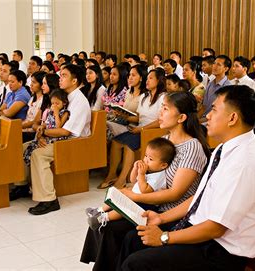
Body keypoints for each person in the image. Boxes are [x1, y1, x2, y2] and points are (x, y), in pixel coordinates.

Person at [116, 85, 255, 271]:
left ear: (232, 118)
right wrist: (161, 218)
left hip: (220, 251)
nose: (208, 116)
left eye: (213, 109)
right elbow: (200, 197)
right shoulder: (225, 149)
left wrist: (164, 237)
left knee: (136, 264)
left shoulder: (245, 162)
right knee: (132, 239)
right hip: (204, 233)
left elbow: (216, 228)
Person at [81, 91, 209, 270]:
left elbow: (175, 194)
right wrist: (136, 176)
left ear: (181, 117)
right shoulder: (165, 140)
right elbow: (146, 175)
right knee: (105, 225)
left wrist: (135, 197)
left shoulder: (192, 147)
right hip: (152, 205)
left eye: (165, 109)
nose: (160, 113)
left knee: (117, 231)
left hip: (172, 213)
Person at [14, 65, 91, 215]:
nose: (60, 78)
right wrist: (42, 133)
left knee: (39, 154)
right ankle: (22, 186)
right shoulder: (64, 96)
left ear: (74, 80)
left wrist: (44, 133)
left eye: (64, 75)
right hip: (60, 138)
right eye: (60, 75)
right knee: (23, 147)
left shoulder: (79, 101)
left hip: (74, 142)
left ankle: (49, 200)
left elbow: (66, 131)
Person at [87, 137, 176, 231]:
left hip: (146, 203)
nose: (146, 160)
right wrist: (135, 168)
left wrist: (141, 174)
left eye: (150, 159)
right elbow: (133, 180)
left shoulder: (159, 176)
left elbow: (145, 190)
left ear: (163, 165)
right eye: (145, 156)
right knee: (118, 194)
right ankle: (99, 210)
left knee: (124, 207)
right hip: (136, 196)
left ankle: (103, 218)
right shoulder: (149, 170)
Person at [100, 68, 166, 189]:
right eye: (147, 78)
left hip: (152, 131)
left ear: (159, 80)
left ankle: (122, 180)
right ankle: (112, 174)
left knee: (128, 145)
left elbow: (160, 121)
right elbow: (139, 118)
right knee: (116, 141)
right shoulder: (144, 96)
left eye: (151, 78)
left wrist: (141, 129)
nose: (147, 80)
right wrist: (124, 116)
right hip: (140, 129)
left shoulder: (163, 98)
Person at [23, 89, 70, 165]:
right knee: (30, 147)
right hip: (47, 134)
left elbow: (58, 126)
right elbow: (47, 122)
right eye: (52, 103)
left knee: (37, 149)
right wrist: (42, 126)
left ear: (64, 102)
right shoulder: (50, 112)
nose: (54, 106)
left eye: (57, 103)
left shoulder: (65, 113)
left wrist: (56, 114)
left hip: (55, 137)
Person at [202, 55, 232, 120]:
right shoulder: (210, 83)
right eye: (214, 63)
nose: (214, 66)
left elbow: (222, 112)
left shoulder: (228, 87)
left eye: (218, 64)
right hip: (205, 118)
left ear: (226, 69)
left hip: (215, 120)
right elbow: (204, 106)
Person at [22, 71, 46, 142]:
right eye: (31, 82)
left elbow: (35, 121)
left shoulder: (43, 100)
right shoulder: (32, 98)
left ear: (41, 85)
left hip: (32, 131)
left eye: (34, 82)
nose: (31, 85)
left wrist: (18, 126)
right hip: (25, 127)